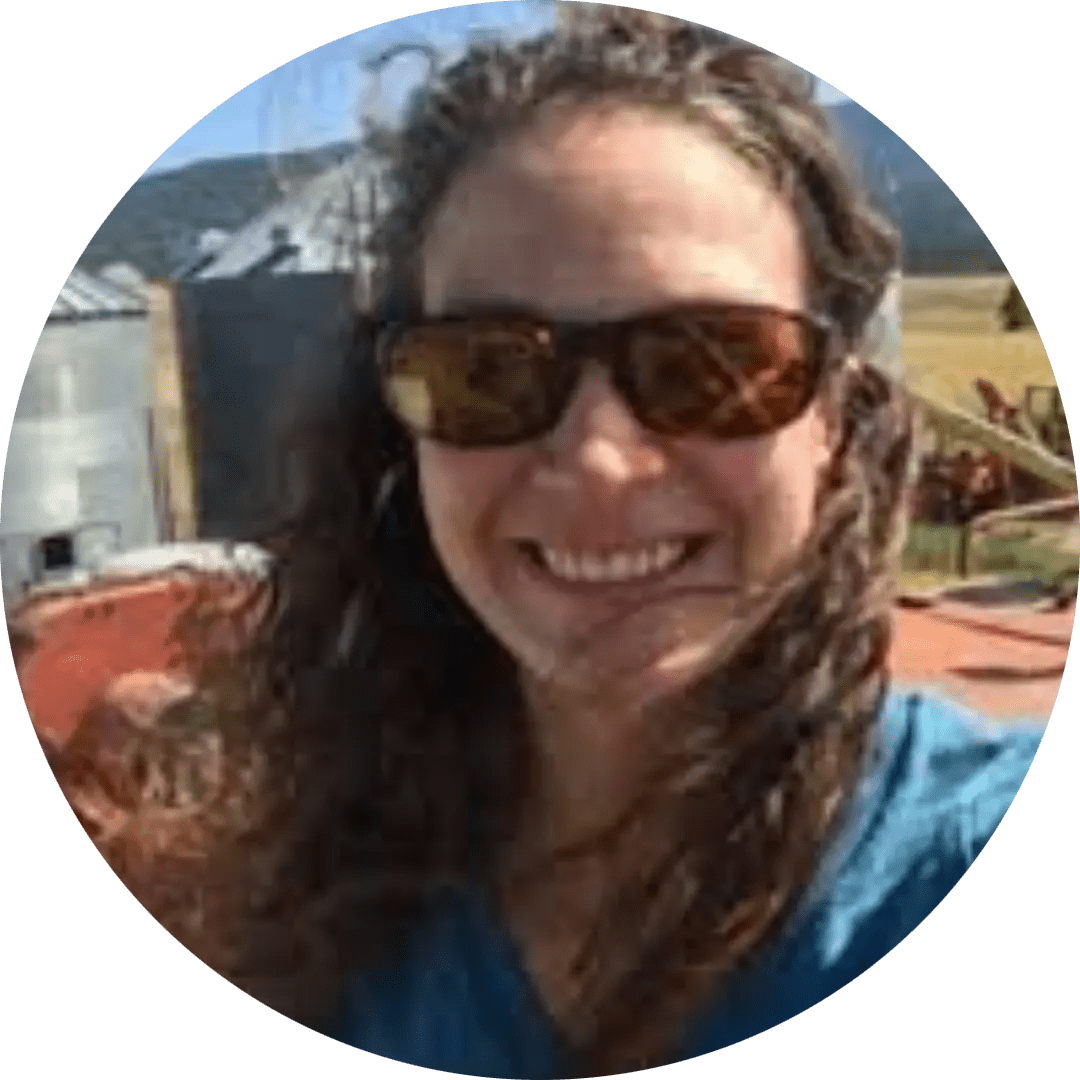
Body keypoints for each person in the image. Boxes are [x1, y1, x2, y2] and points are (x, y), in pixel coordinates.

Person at [33, 9, 1045, 1078]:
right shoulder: (324, 895)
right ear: (400, 423)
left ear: (832, 419)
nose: (600, 462)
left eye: (711, 361)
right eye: (486, 371)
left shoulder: (974, 858)